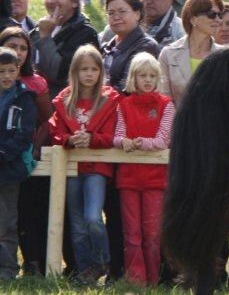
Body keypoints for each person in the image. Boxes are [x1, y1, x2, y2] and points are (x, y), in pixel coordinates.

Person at [49, 45, 120, 285]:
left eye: (94, 69)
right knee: (77, 223)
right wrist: (69, 139)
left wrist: (92, 139)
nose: (89, 74)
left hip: (96, 168)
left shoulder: (109, 100)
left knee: (92, 217)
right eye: (83, 69)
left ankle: (102, 261)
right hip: (70, 167)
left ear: (101, 71)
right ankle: (84, 270)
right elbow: (55, 130)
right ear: (75, 72)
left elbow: (112, 134)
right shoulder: (64, 100)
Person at [114, 53, 174, 286]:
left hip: (156, 180)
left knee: (152, 233)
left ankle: (153, 280)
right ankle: (135, 280)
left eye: (152, 76)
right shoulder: (123, 104)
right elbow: (118, 135)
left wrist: (140, 143)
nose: (147, 80)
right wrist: (124, 143)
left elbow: (163, 140)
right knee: (132, 234)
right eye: (142, 75)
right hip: (128, 178)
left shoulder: (166, 105)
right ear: (134, 78)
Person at [3, 26, 50, 276]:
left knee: (26, 214)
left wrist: (36, 147)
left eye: (23, 48)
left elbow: (46, 120)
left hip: (23, 157)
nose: (18, 53)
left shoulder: (35, 84)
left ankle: (31, 263)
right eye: (12, 46)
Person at [31, 0, 100, 99]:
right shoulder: (38, 29)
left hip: (65, 103)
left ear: (74, 2)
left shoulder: (85, 33)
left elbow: (58, 74)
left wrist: (45, 37)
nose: (51, 0)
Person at [0, 46, 36, 281]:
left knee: (6, 222)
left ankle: (8, 270)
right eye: (1, 71)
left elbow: (25, 134)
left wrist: (4, 153)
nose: (6, 76)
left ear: (18, 70)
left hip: (9, 169)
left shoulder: (24, 98)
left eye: (11, 70)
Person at [158, 0, 224, 105]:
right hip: (178, 121)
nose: (218, 20)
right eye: (212, 14)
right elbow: (164, 100)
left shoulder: (224, 57)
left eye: (219, 15)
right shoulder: (168, 54)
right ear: (193, 19)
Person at [100, 0, 161, 93]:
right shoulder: (107, 47)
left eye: (122, 11)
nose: (116, 17)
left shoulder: (146, 46)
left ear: (137, 14)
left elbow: (128, 88)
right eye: (111, 13)